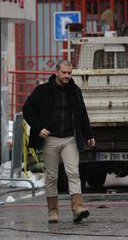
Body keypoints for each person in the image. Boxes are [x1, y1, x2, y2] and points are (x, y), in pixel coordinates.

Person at [22, 59, 95, 223]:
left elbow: (82, 113)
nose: (67, 76)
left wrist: (88, 135)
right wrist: (39, 127)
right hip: (50, 139)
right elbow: (27, 109)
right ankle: (53, 211)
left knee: (73, 173)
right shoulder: (43, 90)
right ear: (56, 72)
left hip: (70, 139)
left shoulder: (75, 91)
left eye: (69, 73)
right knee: (52, 176)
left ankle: (77, 209)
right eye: (64, 73)